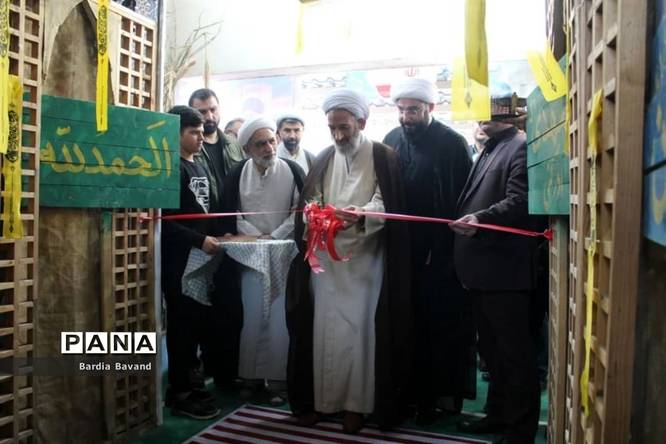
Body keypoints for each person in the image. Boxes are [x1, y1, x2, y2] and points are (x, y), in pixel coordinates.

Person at [286, 88, 412, 434]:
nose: (339, 136)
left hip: (365, 261)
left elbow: (386, 203)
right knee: (323, 330)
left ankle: (357, 406)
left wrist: (362, 214)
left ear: (362, 122)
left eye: (344, 127)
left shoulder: (383, 156)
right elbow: (311, 198)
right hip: (326, 263)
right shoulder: (325, 156)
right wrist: (315, 213)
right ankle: (323, 403)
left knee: (359, 332)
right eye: (332, 128)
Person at [383, 78, 475, 424]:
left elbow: (461, 202)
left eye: (414, 110)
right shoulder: (391, 140)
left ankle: (434, 400)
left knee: (438, 328)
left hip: (440, 256)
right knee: (404, 324)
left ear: (431, 108)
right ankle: (405, 394)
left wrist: (444, 251)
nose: (406, 117)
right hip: (401, 253)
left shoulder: (453, 143)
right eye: (402, 110)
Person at [451, 91, 540, 444]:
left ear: (509, 114)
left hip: (504, 272)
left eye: (489, 111)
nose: (481, 117)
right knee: (493, 354)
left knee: (514, 355)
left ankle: (519, 431)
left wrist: (480, 219)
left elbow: (520, 201)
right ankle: (498, 415)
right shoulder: (492, 147)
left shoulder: (520, 146)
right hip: (483, 272)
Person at [221, 115, 306, 405]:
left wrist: (275, 236)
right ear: (247, 149)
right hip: (250, 257)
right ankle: (250, 378)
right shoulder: (237, 173)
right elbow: (231, 213)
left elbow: (300, 210)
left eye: (271, 141)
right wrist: (257, 238)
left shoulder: (292, 169)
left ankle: (278, 381)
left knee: (279, 318)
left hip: (284, 254)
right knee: (252, 316)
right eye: (260, 144)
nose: (269, 148)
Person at [161, 106, 222, 420]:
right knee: (182, 328)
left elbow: (205, 212)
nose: (201, 138)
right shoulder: (169, 168)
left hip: (201, 262)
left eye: (201, 132)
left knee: (197, 326)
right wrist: (199, 240)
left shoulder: (199, 164)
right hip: (179, 262)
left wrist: (219, 235)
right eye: (193, 132)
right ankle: (181, 393)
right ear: (176, 132)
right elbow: (163, 223)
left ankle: (192, 386)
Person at [188, 88, 246, 386]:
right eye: (202, 112)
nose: (209, 116)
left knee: (231, 302)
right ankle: (207, 366)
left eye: (212, 109)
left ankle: (229, 369)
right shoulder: (189, 148)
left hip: (234, 233)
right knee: (202, 306)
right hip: (203, 236)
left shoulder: (233, 144)